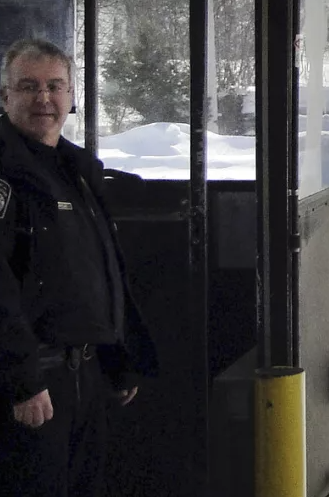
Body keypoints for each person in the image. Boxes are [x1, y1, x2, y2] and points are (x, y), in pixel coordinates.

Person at [0, 38, 159, 496]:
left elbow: (96, 271)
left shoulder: (76, 169)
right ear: (5, 96)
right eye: (28, 86)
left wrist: (116, 354)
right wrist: (21, 381)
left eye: (55, 86)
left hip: (83, 378)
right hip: (32, 387)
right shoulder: (5, 169)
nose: (43, 98)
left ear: (72, 97)